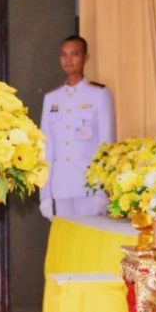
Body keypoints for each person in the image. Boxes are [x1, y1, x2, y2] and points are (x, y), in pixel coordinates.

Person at [38, 35, 116, 219]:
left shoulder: (99, 94)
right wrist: (45, 194)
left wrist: (103, 190)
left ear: (85, 58)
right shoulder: (52, 98)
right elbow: (46, 148)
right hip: (60, 186)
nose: (68, 60)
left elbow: (106, 146)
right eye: (64, 55)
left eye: (74, 54)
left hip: (89, 185)